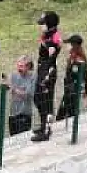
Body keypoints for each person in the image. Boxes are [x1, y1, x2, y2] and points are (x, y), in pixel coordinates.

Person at [33, 11, 62, 141]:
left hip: (48, 72)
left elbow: (52, 59)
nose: (41, 26)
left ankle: (46, 130)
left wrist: (46, 77)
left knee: (46, 101)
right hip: (42, 69)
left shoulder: (53, 38)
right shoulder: (47, 35)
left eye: (43, 24)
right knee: (38, 98)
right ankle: (44, 123)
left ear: (50, 24)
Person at [57, 33, 87, 123]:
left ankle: (72, 129)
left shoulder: (79, 60)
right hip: (69, 88)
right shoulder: (73, 54)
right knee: (66, 110)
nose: (70, 46)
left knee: (67, 111)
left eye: (71, 44)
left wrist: (86, 89)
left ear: (76, 45)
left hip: (73, 89)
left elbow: (83, 75)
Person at [8, 56, 35, 136]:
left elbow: (28, 95)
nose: (19, 68)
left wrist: (14, 89)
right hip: (13, 113)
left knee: (22, 139)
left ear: (28, 67)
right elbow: (10, 91)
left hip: (24, 114)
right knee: (12, 138)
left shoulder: (32, 77)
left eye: (21, 66)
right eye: (18, 65)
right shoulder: (13, 75)